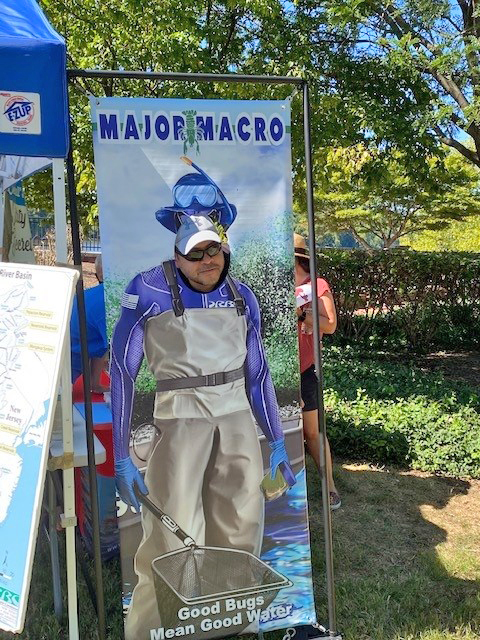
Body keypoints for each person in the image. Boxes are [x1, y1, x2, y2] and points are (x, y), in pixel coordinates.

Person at [111, 214, 296, 640]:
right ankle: (152, 633)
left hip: (236, 423)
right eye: (194, 253)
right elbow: (122, 370)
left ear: (224, 250)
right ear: (177, 257)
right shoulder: (148, 291)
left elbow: (258, 374)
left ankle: (235, 627)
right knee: (171, 540)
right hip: (179, 421)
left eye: (212, 249)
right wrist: (122, 455)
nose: (205, 259)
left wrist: (276, 442)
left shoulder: (242, 295)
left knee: (241, 529)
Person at [294, 233, 341, 510]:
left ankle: (330, 488)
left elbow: (331, 324)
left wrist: (301, 314)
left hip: (304, 368)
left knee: (312, 432)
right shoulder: (271, 284)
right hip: (274, 370)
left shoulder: (316, 285)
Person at [70, 255, 109, 392]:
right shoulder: (109, 303)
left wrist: (95, 383)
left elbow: (101, 345)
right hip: (64, 370)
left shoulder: (88, 295)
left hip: (68, 361)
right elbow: (119, 350)